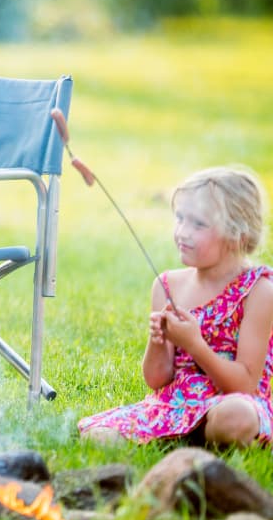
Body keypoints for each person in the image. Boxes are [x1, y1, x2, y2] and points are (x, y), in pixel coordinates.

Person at [79, 166, 273, 448]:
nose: (182, 232)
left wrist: (194, 345)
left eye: (198, 224)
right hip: (179, 402)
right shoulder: (166, 285)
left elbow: (244, 384)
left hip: (237, 400)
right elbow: (157, 380)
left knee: (234, 418)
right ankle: (191, 432)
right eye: (180, 219)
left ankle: (204, 431)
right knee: (98, 437)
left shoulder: (260, 291)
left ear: (237, 233)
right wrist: (158, 340)